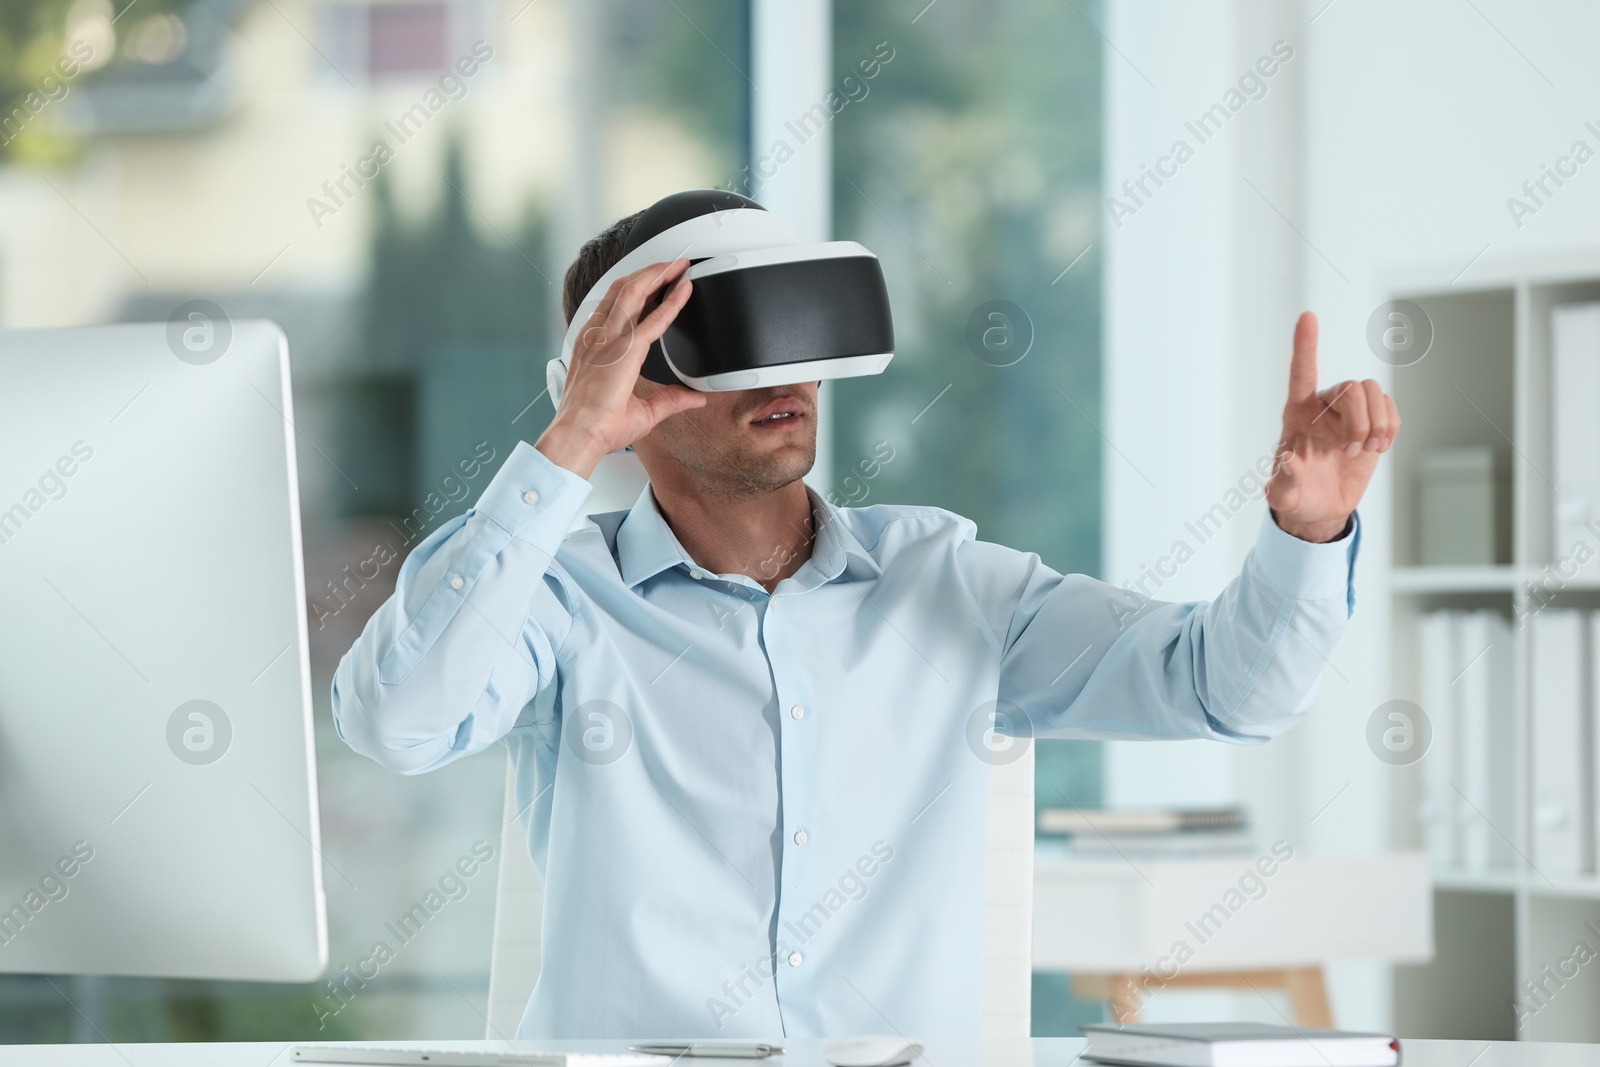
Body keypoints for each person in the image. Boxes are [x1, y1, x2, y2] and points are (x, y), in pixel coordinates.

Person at [331, 208, 1398, 1039]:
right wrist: (568, 445)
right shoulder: (557, 598)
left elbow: (1229, 690)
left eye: (793, 326)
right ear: (624, 380)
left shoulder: (947, 583)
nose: (780, 370)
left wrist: (1307, 534)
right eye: (721, 338)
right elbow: (396, 719)